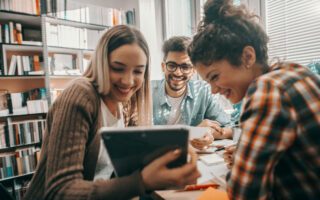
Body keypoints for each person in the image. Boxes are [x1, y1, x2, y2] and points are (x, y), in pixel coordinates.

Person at [24, 25, 200, 200]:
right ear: (101, 63)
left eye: (138, 71)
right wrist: (142, 181)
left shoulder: (124, 101)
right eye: (117, 68)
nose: (128, 81)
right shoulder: (80, 94)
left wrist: (172, 158)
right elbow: (61, 191)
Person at [188, 0, 320, 199]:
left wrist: (242, 165)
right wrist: (246, 154)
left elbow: (244, 194)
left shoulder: (268, 90)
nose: (213, 90)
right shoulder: (295, 72)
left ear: (247, 57)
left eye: (214, 77)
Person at [152, 36, 233, 146]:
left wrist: (208, 133)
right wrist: (193, 133)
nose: (178, 73)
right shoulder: (147, 93)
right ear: (163, 67)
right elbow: (143, 137)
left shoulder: (203, 91)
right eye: (172, 65)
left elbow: (228, 129)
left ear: (193, 70)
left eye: (185, 67)